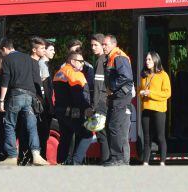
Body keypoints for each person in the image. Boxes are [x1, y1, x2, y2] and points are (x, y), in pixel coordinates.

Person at [0, 37, 49, 166]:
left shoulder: (7, 59)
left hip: (16, 95)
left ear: (4, 49)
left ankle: (12, 156)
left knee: (9, 124)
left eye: (1, 52)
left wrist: (2, 100)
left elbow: (5, 81)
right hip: (30, 96)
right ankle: (37, 155)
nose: (1, 55)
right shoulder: (28, 59)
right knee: (32, 126)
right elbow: (36, 79)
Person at [53, 52, 93, 165]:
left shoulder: (59, 73)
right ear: (73, 61)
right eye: (81, 61)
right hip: (73, 112)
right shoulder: (75, 73)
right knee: (87, 135)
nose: (82, 64)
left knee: (65, 138)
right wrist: (87, 108)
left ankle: (61, 162)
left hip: (61, 111)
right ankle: (76, 163)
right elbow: (79, 94)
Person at [102, 34, 134, 166]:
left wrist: (112, 88)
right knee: (110, 125)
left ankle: (118, 158)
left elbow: (126, 76)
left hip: (120, 97)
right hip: (116, 97)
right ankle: (114, 157)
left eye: (106, 44)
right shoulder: (111, 57)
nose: (103, 47)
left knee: (114, 126)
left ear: (114, 44)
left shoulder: (118, 56)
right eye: (103, 44)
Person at [139, 51, 171, 166]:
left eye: (149, 60)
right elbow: (140, 90)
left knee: (160, 136)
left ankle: (162, 161)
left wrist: (150, 93)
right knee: (147, 137)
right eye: (146, 59)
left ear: (155, 61)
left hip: (159, 109)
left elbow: (167, 93)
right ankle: (146, 162)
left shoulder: (163, 75)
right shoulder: (144, 75)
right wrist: (141, 93)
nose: (147, 62)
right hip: (146, 108)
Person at [89, 33, 110, 163]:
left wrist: (94, 106)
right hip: (106, 101)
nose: (93, 48)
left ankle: (105, 161)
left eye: (96, 45)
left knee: (102, 135)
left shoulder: (100, 61)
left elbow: (97, 86)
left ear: (103, 46)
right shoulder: (106, 59)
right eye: (91, 45)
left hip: (101, 103)